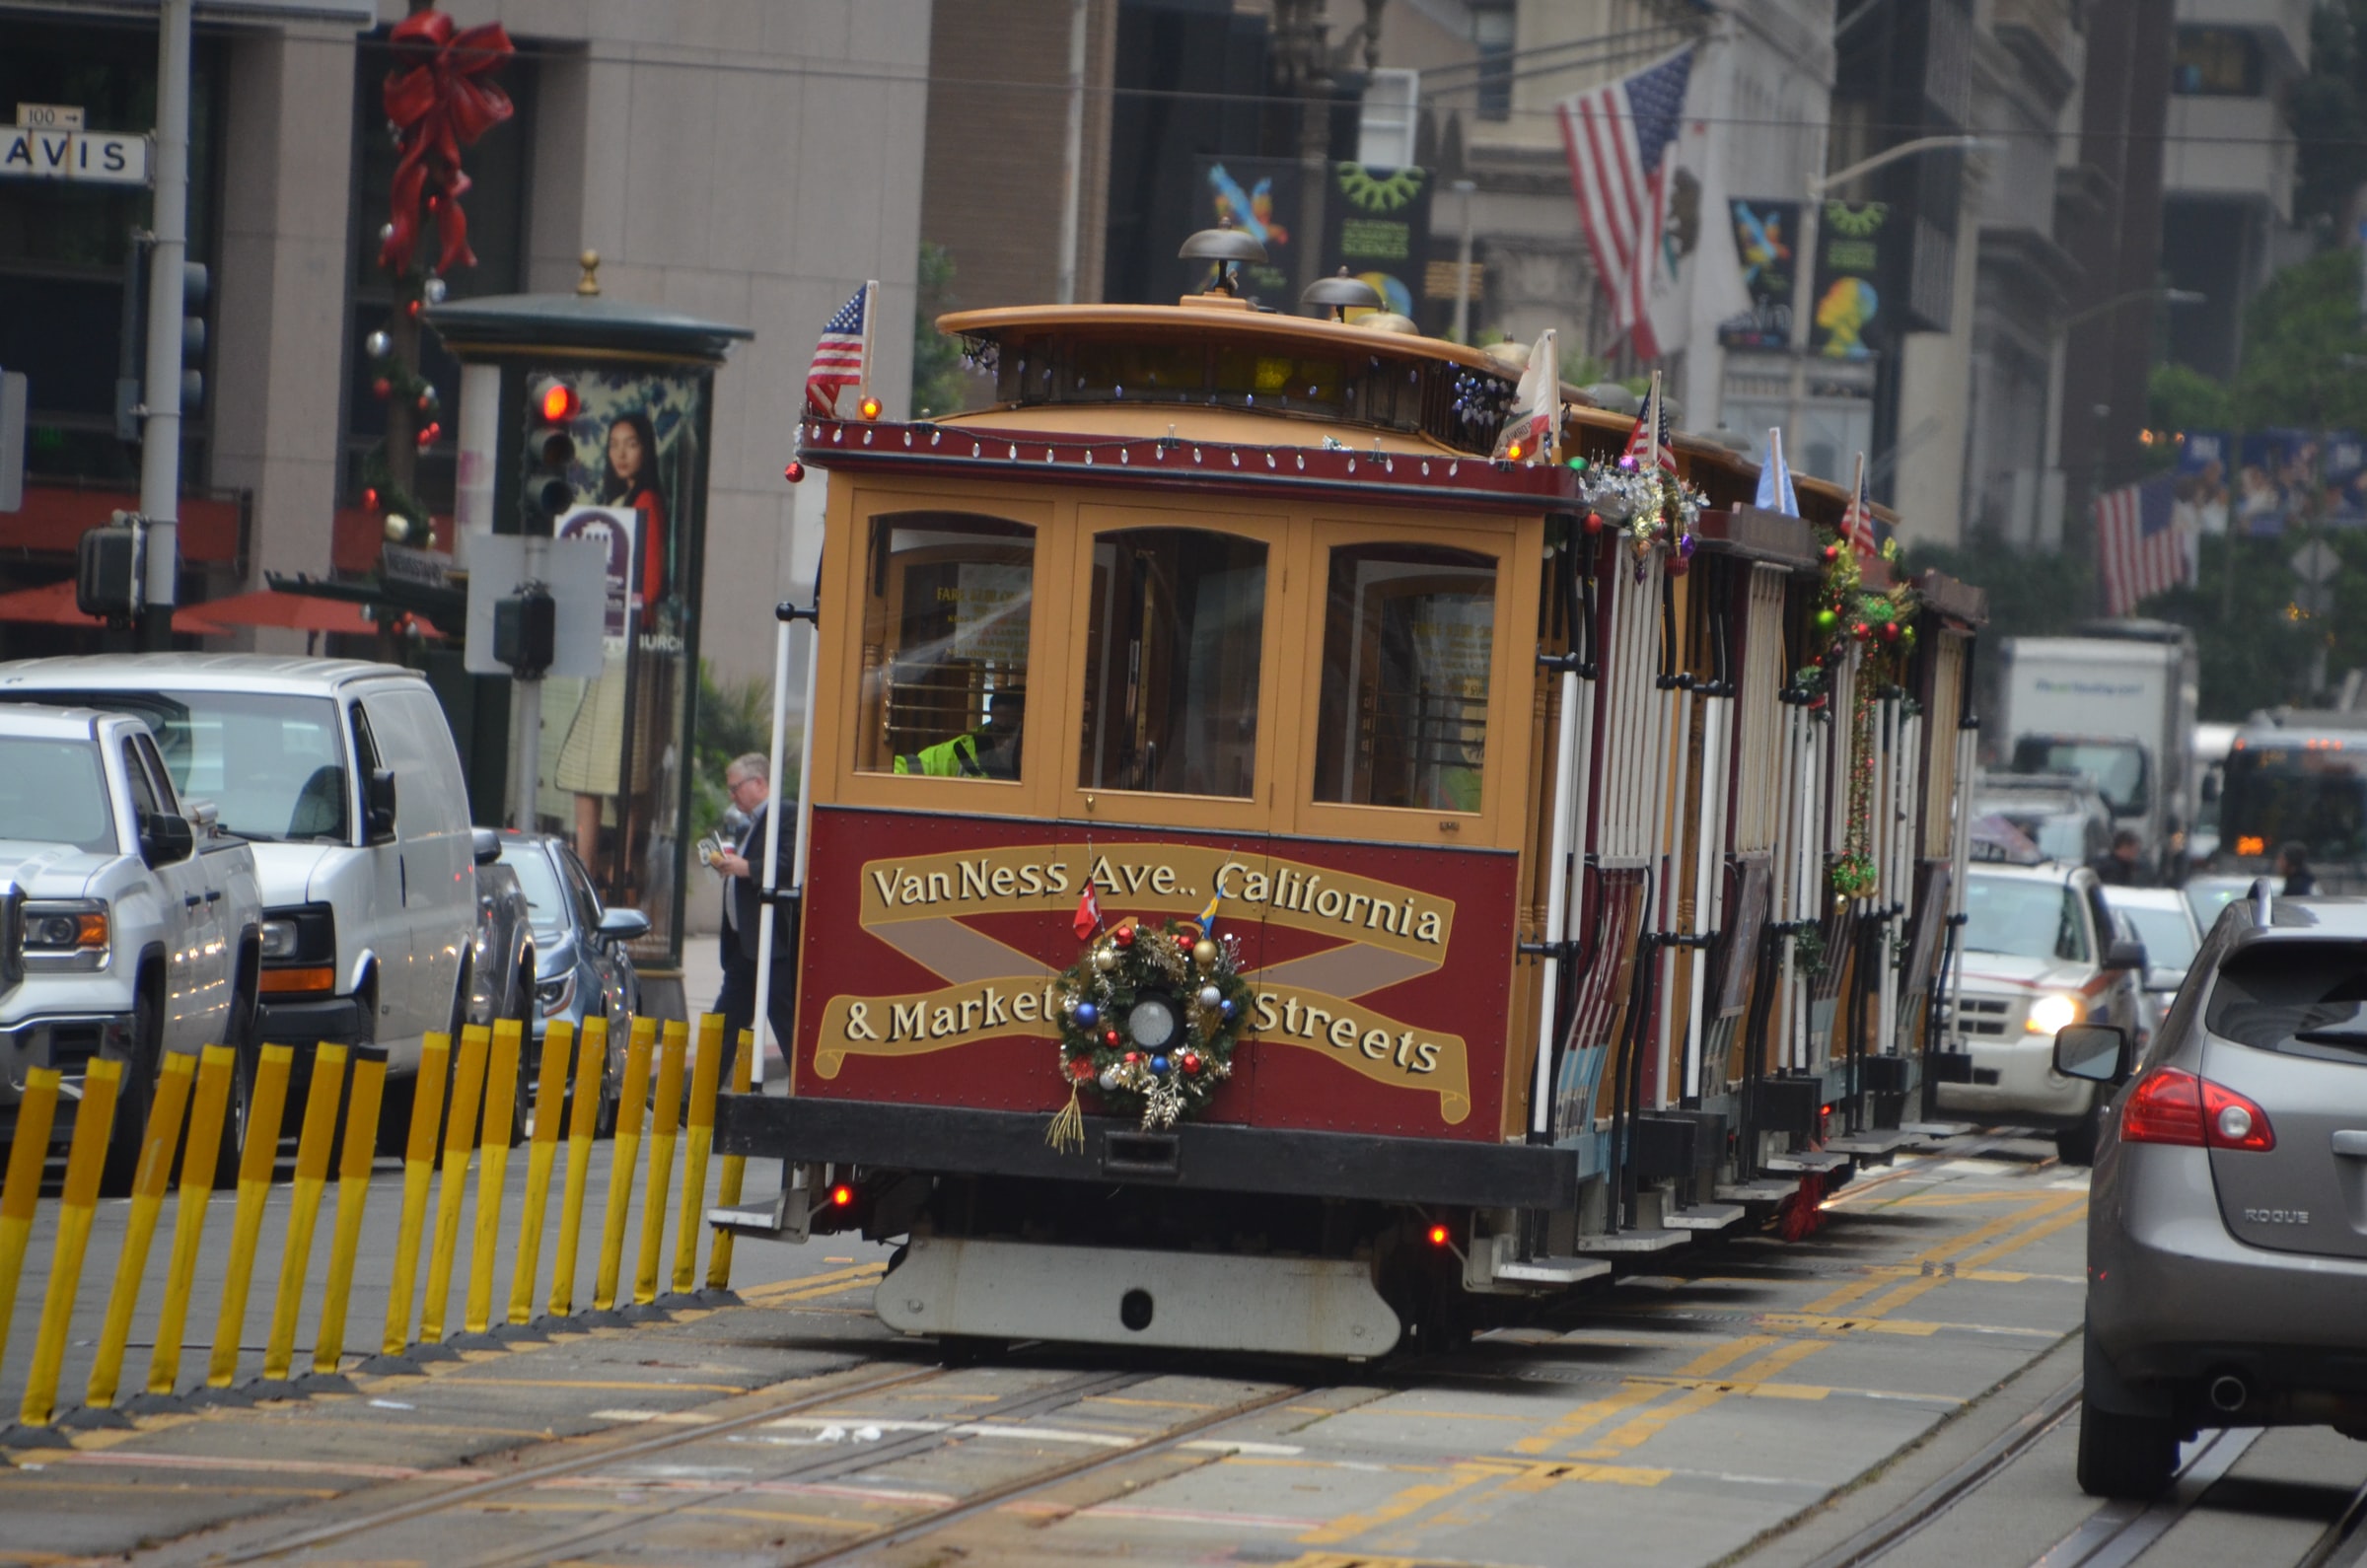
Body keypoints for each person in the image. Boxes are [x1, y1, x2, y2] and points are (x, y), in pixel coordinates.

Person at [713, 752, 795, 1068]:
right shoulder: (750, 824)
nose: (732, 797)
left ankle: (807, 1093)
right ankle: (693, 1098)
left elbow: (789, 862)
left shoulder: (783, 813)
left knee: (784, 1019)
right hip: (745, 945)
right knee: (724, 1022)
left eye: (736, 788)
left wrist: (746, 868)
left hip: (770, 944)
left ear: (758, 783)